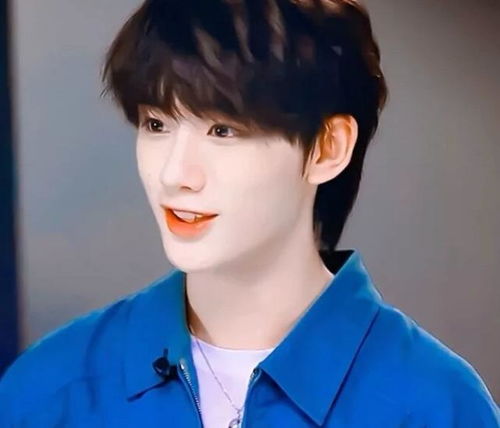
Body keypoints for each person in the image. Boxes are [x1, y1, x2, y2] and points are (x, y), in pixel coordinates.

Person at [1, 0, 498, 426]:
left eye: (223, 130)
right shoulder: (50, 389)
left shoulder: (436, 405)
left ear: (328, 148)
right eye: (156, 124)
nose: (175, 174)